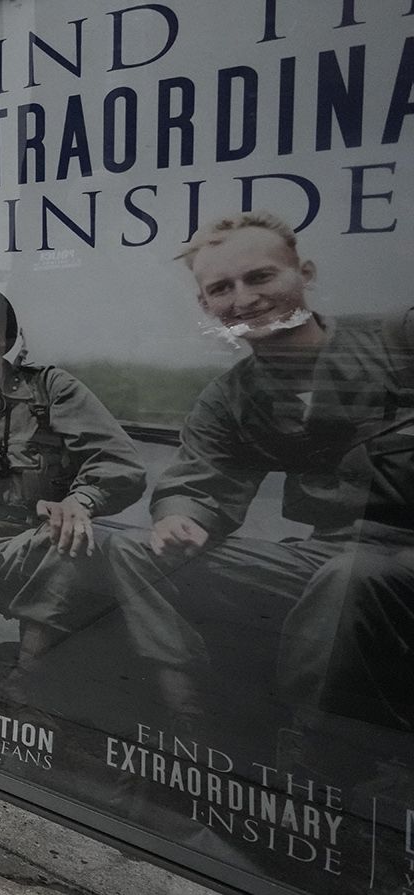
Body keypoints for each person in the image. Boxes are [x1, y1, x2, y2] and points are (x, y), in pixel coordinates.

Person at [103, 212, 414, 735]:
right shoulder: (231, 399)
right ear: (207, 306)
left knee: (346, 581)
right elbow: (199, 479)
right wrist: (181, 518)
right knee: (132, 551)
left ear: (305, 275)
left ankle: (317, 752)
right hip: (332, 555)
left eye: (261, 277)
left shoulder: (396, 338)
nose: (244, 299)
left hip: (395, 559)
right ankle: (191, 725)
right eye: (222, 288)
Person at [0, 284, 182, 717]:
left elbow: (122, 465)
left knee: (68, 538)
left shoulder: (51, 390)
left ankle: (25, 682)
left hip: (38, 548)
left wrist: (80, 501)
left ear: (5, 337)